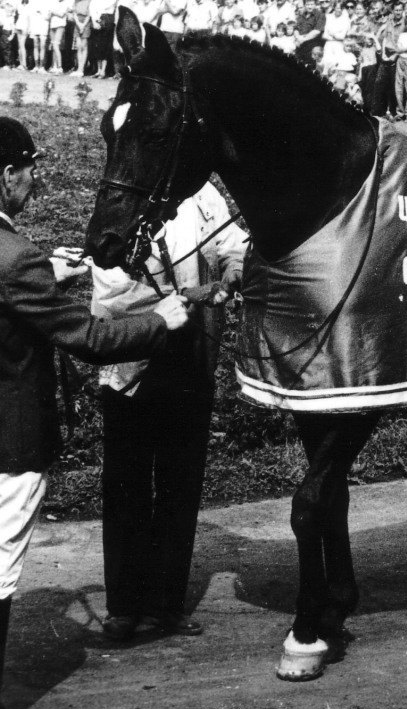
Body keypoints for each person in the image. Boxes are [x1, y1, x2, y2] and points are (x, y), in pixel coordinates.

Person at [0, 116, 189, 709]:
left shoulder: (19, 259)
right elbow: (91, 339)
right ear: (7, 176)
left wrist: (49, 274)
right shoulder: (12, 256)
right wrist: (161, 318)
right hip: (11, 444)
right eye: (30, 169)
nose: (34, 180)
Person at [91, 182, 246, 644]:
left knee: (181, 483)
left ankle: (166, 604)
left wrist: (234, 267)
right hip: (132, 361)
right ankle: (124, 606)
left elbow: (230, 241)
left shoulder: (203, 195)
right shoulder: (122, 198)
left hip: (191, 358)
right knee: (127, 483)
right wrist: (188, 295)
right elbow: (113, 288)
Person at [295, 0, 325, 66]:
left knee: (309, 68)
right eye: (308, 4)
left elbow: (317, 31)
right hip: (299, 45)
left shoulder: (320, 15)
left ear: (315, 5)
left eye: (311, 4)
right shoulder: (302, 14)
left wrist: (302, 39)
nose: (309, 7)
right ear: (305, 5)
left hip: (312, 46)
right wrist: (298, 37)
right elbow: (296, 28)